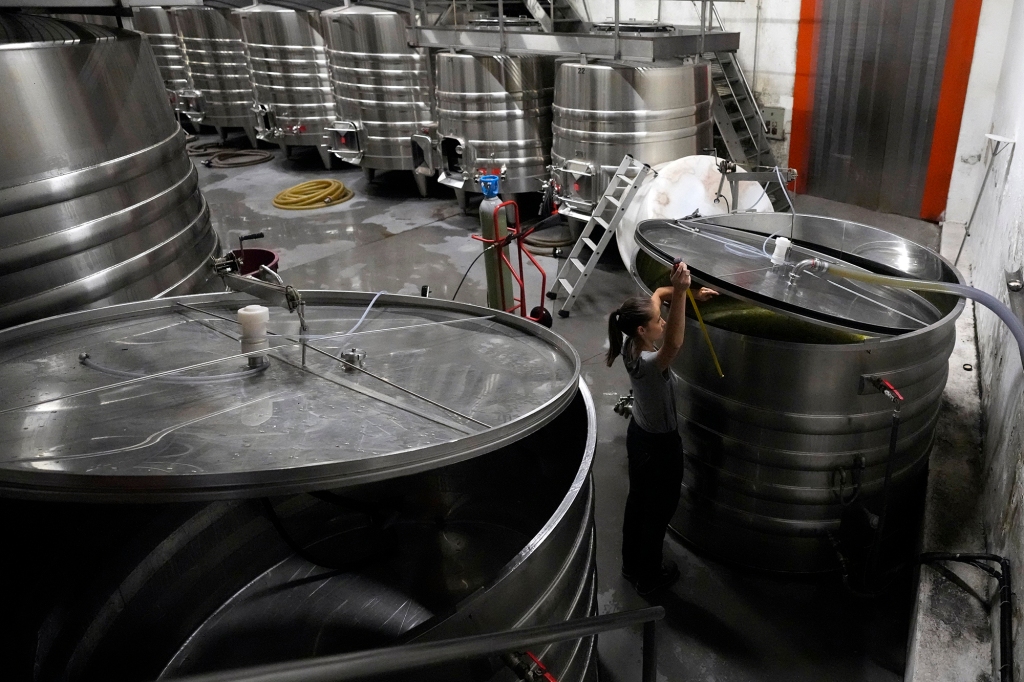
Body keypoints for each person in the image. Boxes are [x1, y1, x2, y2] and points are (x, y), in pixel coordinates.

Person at [606, 261, 716, 596]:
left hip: (638, 436)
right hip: (659, 447)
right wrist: (681, 293)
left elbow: (656, 294)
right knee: (658, 512)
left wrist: (690, 292)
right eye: (657, 321)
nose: (663, 320)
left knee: (638, 502)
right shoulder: (650, 365)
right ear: (643, 330)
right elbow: (674, 343)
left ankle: (630, 565)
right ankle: (649, 577)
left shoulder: (629, 342)